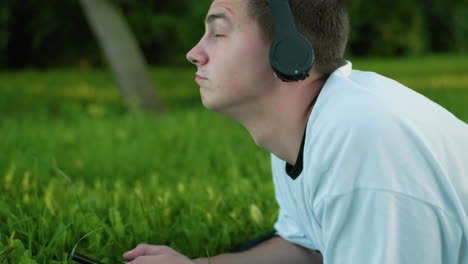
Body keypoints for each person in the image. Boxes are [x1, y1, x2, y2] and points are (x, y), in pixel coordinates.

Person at [122, 0, 468, 263]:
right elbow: (307, 247)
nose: (194, 53)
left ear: (288, 52)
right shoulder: (309, 125)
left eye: (219, 33)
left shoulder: (361, 139)